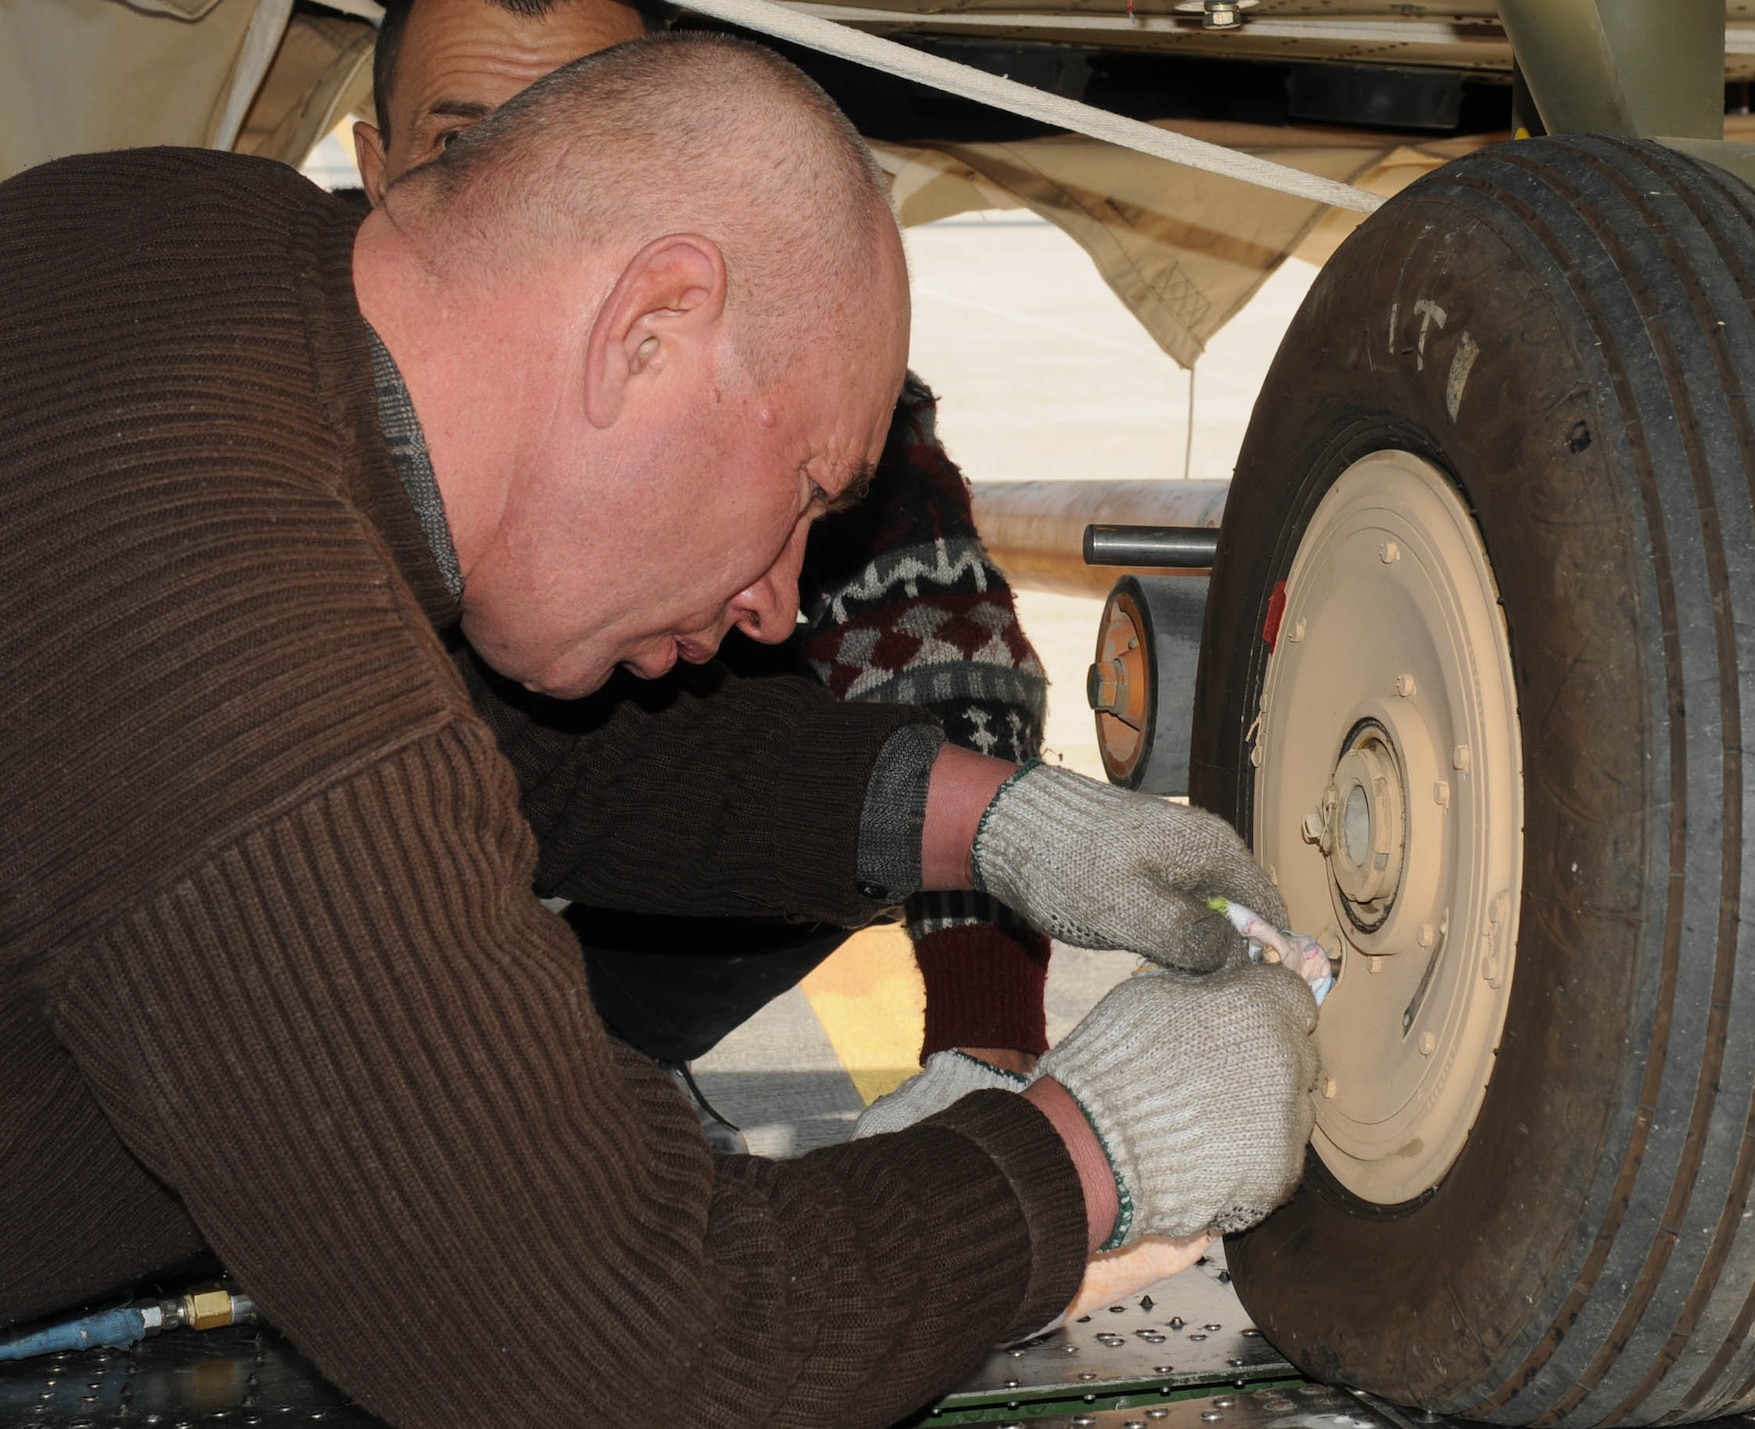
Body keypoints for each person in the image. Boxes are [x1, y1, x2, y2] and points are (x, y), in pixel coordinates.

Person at [0, 33, 1319, 1429]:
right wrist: (1098, 1150)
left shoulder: (180, 242)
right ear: (650, 328)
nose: (774, 605)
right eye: (809, 490)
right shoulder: (225, 623)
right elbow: (634, 1352)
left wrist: (994, 820)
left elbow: (501, 743)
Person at [355, 0, 1059, 1111]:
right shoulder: (268, 458)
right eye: (461, 141)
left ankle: (585, 1070)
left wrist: (987, 1028)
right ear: (372, 161)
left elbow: (945, 665)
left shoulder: (784, 420)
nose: (522, 193)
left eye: (567, 134)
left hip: (602, 957)